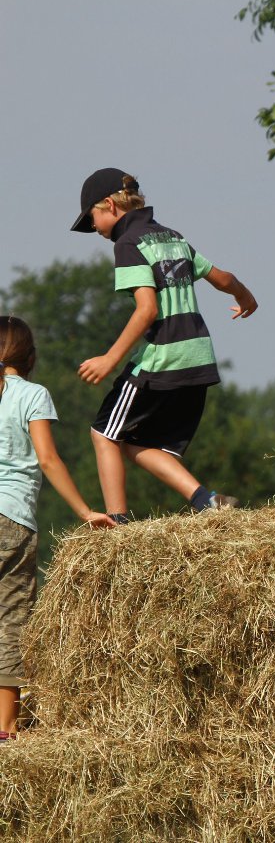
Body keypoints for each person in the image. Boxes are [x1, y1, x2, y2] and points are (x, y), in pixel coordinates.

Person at [71, 168, 257, 521]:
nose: (93, 227)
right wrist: (245, 297)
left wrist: (110, 359)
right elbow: (223, 278)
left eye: (92, 218)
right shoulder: (172, 236)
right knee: (139, 443)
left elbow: (147, 310)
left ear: (109, 205)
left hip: (163, 357)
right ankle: (207, 501)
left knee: (104, 434)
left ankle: (118, 525)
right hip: (197, 357)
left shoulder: (129, 243)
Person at [0, 316, 115, 743]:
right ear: (30, 358)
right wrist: (85, 510)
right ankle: (5, 728)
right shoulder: (32, 394)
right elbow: (48, 460)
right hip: (10, 517)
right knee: (9, 620)